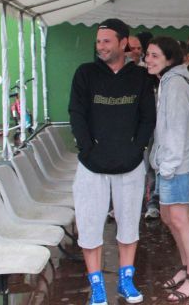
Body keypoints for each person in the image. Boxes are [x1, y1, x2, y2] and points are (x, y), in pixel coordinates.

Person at [68, 18, 156, 305]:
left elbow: (148, 117)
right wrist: (87, 149)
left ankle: (125, 281)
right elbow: (76, 113)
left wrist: (137, 148)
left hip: (130, 165)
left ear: (123, 42)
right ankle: (97, 286)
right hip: (91, 166)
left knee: (129, 225)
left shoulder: (140, 77)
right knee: (89, 226)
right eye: (98, 41)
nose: (101, 46)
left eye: (106, 41)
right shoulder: (85, 73)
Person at [146, 36, 189, 302]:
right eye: (147, 55)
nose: (148, 60)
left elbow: (177, 129)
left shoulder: (176, 84)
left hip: (176, 165)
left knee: (179, 219)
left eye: (155, 55)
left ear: (170, 58)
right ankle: (184, 267)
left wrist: (167, 166)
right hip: (167, 163)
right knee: (169, 218)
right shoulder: (166, 82)